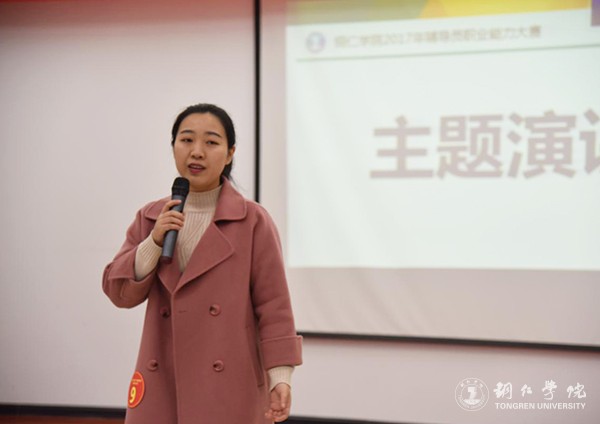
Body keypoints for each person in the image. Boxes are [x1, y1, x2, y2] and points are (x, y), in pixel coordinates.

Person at [102, 103, 302, 424]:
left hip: (228, 384)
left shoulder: (252, 221)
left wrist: (280, 376)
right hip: (162, 379)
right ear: (173, 147)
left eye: (211, 142)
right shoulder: (151, 217)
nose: (196, 152)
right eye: (186, 140)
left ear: (230, 153)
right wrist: (153, 242)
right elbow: (119, 292)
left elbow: (273, 305)